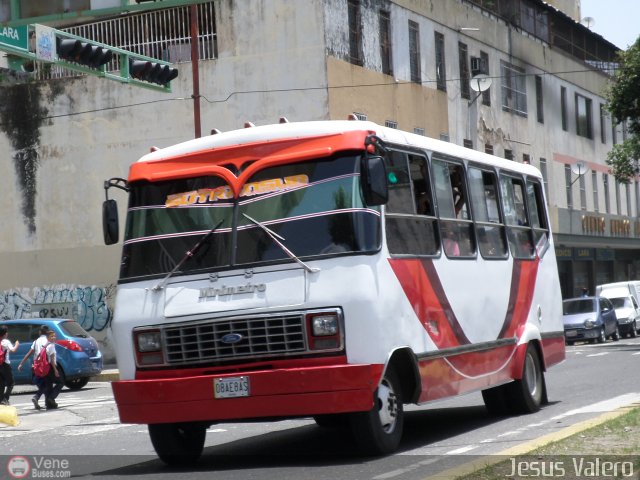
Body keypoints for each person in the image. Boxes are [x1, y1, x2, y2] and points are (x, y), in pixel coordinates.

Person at [17, 325, 50, 410]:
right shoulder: (48, 341)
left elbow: (29, 353)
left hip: (37, 367)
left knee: (42, 384)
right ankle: (38, 397)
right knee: (46, 384)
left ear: (40, 332)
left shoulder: (36, 342)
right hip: (45, 366)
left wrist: (21, 364)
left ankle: (43, 400)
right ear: (47, 333)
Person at [0, 326, 20, 405]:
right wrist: (17, 344)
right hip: (5, 364)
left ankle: (1, 399)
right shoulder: (5, 341)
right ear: (5, 334)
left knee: (1, 383)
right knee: (11, 383)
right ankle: (5, 398)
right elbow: (13, 350)